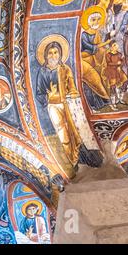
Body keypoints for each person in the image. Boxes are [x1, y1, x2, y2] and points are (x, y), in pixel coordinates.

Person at [36, 41, 82, 169]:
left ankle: (75, 156)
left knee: (73, 130)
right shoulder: (42, 71)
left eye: (55, 52)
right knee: (62, 131)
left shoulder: (65, 69)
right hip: (53, 106)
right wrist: (47, 97)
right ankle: (70, 159)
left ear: (60, 54)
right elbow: (39, 92)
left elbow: (72, 86)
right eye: (50, 53)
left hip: (66, 104)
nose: (53, 55)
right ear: (45, 55)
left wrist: (72, 93)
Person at [81, 9, 111, 110]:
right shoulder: (84, 35)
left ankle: (101, 102)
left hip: (94, 59)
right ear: (88, 21)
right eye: (93, 20)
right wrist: (106, 44)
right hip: (84, 60)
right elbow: (91, 47)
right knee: (94, 79)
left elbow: (99, 49)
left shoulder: (97, 33)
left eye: (98, 19)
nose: (96, 22)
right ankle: (96, 103)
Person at [103, 41, 128, 110]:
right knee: (113, 86)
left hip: (118, 70)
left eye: (117, 46)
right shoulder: (108, 55)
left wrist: (120, 65)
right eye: (115, 46)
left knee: (125, 81)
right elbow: (109, 63)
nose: (116, 47)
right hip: (111, 71)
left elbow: (122, 61)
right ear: (111, 47)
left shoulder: (119, 54)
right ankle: (113, 103)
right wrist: (117, 64)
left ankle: (120, 98)